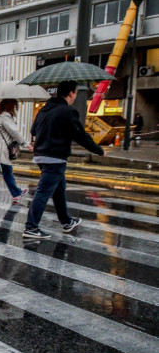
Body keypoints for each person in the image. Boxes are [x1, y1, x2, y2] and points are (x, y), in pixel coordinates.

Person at [24, 81, 106, 239]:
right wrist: (99, 150)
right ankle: (31, 227)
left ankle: (67, 221)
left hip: (41, 155)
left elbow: (33, 130)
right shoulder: (67, 112)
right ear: (71, 94)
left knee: (59, 189)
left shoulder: (44, 110)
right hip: (55, 157)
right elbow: (81, 136)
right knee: (43, 192)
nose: (75, 96)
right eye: (75, 93)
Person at [0, 99, 32, 204]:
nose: (15, 108)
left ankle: (16, 192)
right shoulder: (5, 116)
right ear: (10, 106)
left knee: (5, 169)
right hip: (0, 146)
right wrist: (25, 144)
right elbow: (14, 132)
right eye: (14, 106)